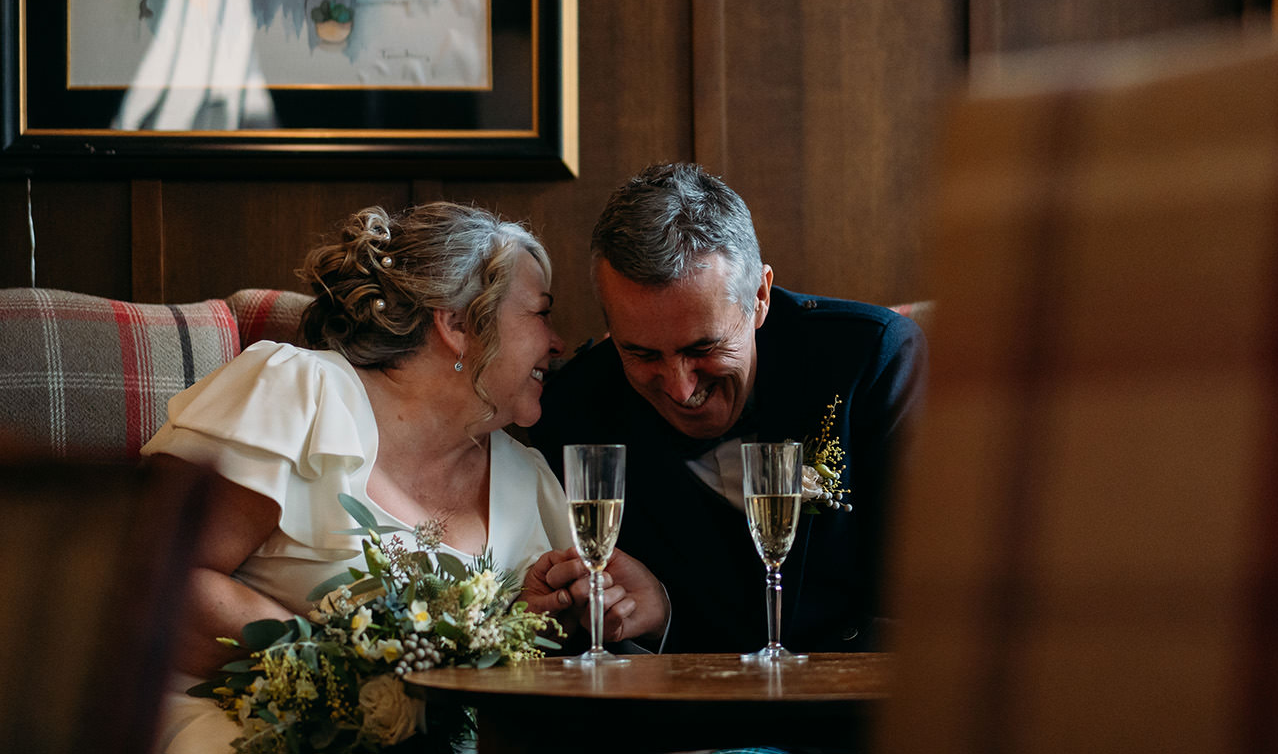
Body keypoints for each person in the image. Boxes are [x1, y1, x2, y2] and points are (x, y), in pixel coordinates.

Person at [143, 202, 667, 754]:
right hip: (240, 725)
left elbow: (540, 673)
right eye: (540, 314)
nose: (558, 342)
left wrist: (567, 619)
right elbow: (149, 578)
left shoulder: (531, 478)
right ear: (459, 323)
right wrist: (366, 668)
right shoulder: (296, 392)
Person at [531, 163, 926, 654]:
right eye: (642, 354)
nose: (678, 388)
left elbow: (927, 602)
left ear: (759, 298)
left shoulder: (872, 361)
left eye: (703, 348)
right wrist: (658, 613)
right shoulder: (573, 409)